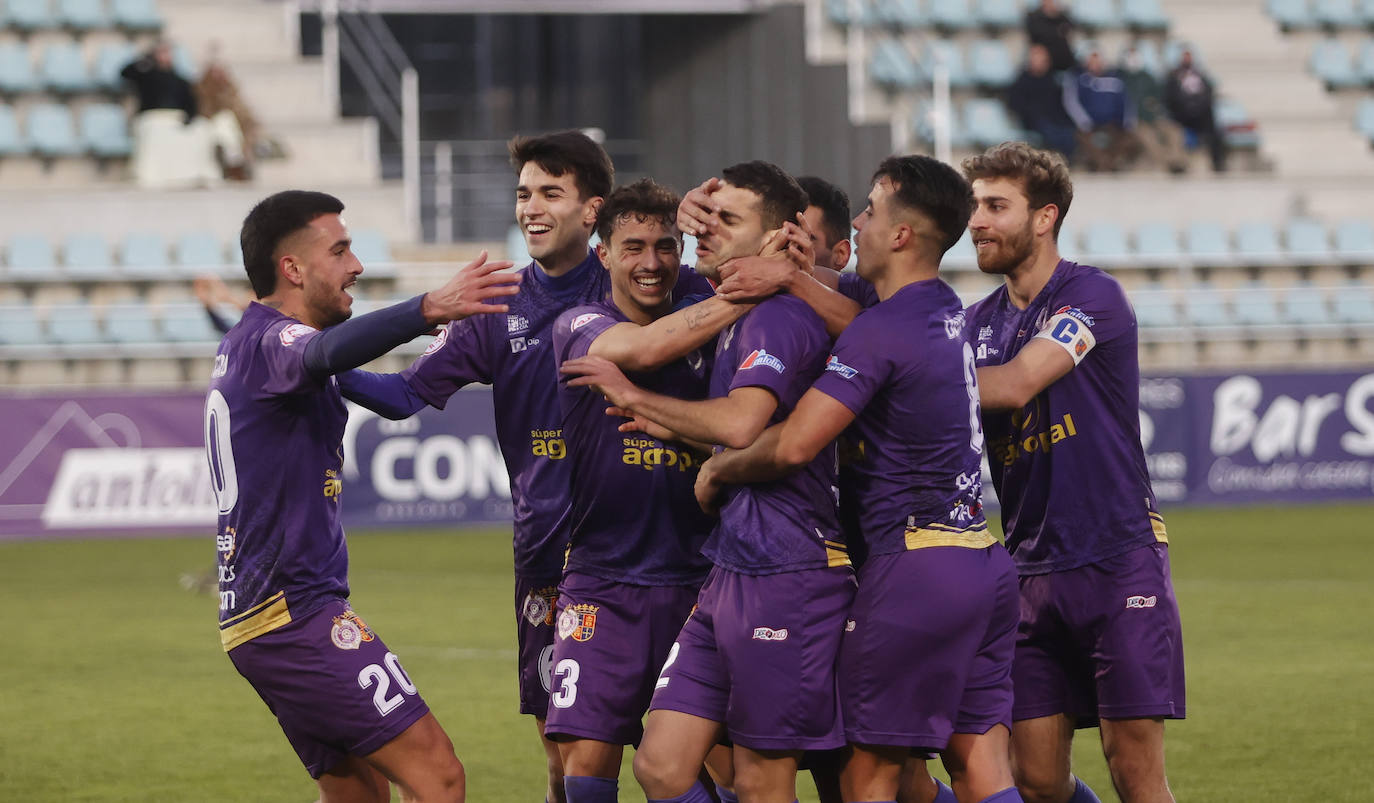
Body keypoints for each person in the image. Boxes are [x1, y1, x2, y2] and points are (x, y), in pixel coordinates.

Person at [333, 130, 748, 803]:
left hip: (692, 546)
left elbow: (741, 276)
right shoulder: (497, 307)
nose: (530, 207)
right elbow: (404, 394)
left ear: (594, 214)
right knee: (567, 762)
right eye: (524, 193)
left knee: (714, 758)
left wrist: (710, 216)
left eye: (549, 193)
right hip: (553, 557)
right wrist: (323, 365)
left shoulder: (660, 275)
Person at [689, 155, 1023, 803]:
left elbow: (793, 444)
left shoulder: (880, 331)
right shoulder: (939, 307)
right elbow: (851, 315)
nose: (860, 223)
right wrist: (789, 274)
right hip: (982, 563)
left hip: (912, 567)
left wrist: (721, 465)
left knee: (869, 775)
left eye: (871, 210)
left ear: (900, 235)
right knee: (980, 767)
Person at [206, 190, 520, 802]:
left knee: (358, 795)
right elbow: (323, 351)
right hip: (294, 615)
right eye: (341, 249)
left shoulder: (268, 349)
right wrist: (429, 306)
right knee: (439, 775)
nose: (356, 265)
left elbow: (398, 397)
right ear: (292, 268)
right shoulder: (276, 345)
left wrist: (467, 349)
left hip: (264, 620)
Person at [562, 161, 853, 803]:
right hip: (729, 568)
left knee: (766, 780)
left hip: (788, 570)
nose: (704, 228)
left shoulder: (779, 316)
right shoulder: (731, 312)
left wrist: (638, 401)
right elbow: (732, 433)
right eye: (706, 216)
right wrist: (693, 439)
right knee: (662, 766)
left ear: (777, 236)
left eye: (727, 219)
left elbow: (744, 423)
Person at [961, 143, 1185, 803]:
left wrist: (911, 374)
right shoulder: (975, 324)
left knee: (1134, 767)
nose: (977, 221)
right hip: (1028, 570)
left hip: (1116, 555)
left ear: (1044, 217)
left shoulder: (1093, 296)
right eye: (975, 205)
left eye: (996, 205)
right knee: (1034, 777)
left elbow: (1017, 384)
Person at [543, 178, 726, 803]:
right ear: (603, 254)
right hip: (605, 579)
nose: (651, 263)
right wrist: (744, 298)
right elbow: (646, 350)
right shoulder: (580, 324)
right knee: (586, 774)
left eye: (666, 245)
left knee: (725, 773)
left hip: (705, 580)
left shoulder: (706, 312)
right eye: (633, 247)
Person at [1062, 49, 1140, 173]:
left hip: (1113, 124)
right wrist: (1083, 121)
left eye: (1098, 61)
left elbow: (1127, 102)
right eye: (1092, 62)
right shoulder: (1080, 81)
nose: (1095, 64)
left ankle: (1112, 162)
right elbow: (1071, 103)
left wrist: (1127, 122)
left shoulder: (1116, 80)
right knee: (1083, 139)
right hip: (1088, 125)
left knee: (1130, 139)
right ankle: (1104, 164)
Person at [1119, 46, 1187, 175]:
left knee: (1174, 131)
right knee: (1148, 136)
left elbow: (1157, 97)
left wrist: (1154, 108)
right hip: (1134, 119)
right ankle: (1167, 163)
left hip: (1153, 116)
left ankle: (1177, 160)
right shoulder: (1121, 78)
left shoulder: (1147, 77)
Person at [1008, 45, 1078, 162]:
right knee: (1051, 132)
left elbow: (1060, 103)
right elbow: (1016, 104)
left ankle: (1066, 162)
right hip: (1033, 120)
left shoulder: (1052, 79)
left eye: (1043, 60)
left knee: (1069, 131)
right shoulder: (1022, 80)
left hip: (1055, 119)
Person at [1163, 49, 1227, 173]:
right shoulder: (1174, 76)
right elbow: (1170, 97)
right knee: (1175, 133)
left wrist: (1198, 106)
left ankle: (1218, 163)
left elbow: (1208, 93)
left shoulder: (1200, 75)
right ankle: (1178, 164)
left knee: (1215, 133)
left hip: (1200, 115)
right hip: (1181, 115)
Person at [1025, 0, 1077, 74]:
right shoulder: (1034, 18)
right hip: (1045, 68)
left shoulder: (1062, 17)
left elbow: (1070, 29)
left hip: (1065, 64)